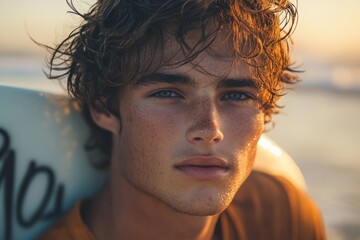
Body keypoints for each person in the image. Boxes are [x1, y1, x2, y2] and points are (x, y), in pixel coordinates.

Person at [40, 0, 326, 239]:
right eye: (168, 93)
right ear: (103, 107)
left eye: (237, 96)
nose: (210, 129)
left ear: (264, 110)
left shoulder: (281, 215)